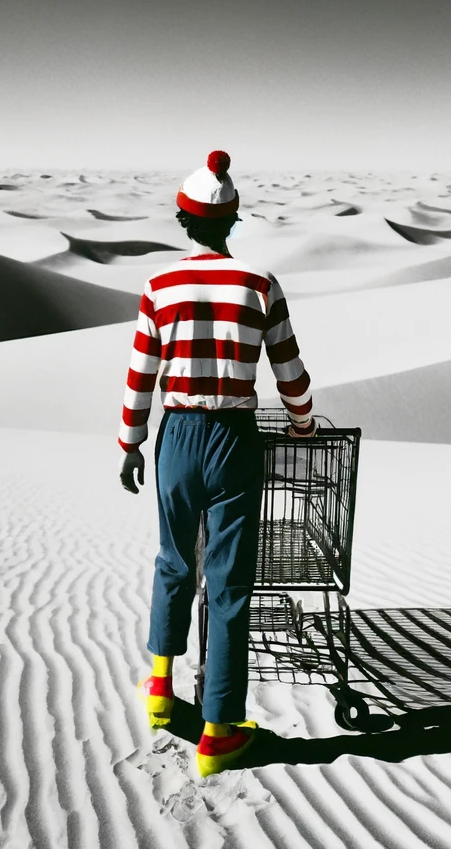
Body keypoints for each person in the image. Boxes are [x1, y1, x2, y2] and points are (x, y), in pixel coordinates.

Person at [117, 150, 317, 778]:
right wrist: (304, 423)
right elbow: (290, 371)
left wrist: (130, 444)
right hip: (234, 438)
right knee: (228, 585)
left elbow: (140, 376)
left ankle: (159, 689)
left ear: (183, 220)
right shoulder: (260, 285)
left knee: (173, 562)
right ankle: (220, 731)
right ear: (232, 219)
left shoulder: (158, 287)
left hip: (176, 436)